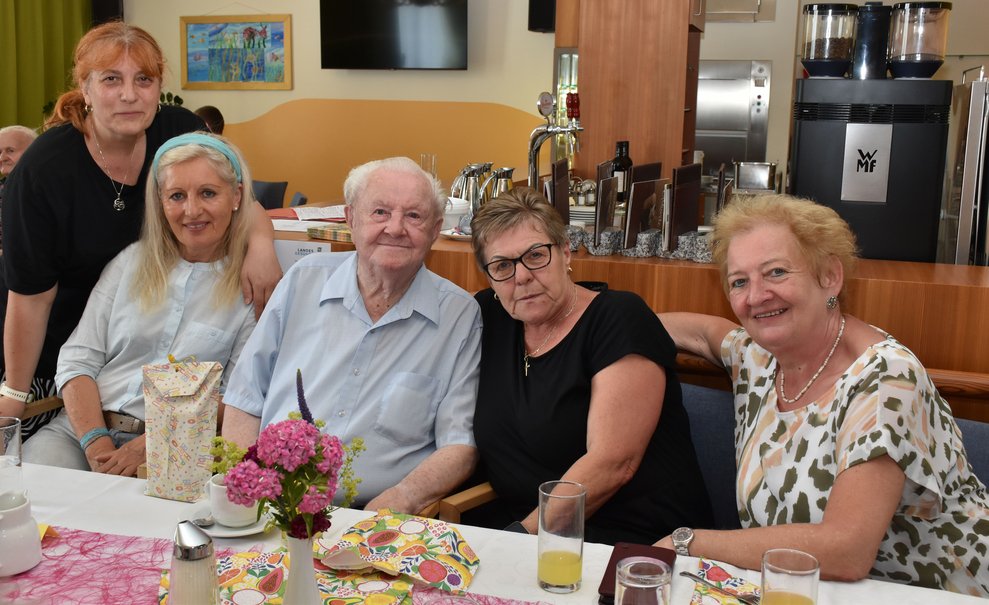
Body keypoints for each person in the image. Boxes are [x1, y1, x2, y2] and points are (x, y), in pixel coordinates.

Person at [654, 194, 989, 596]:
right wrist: (597, 317)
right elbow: (703, 331)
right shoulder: (760, 359)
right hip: (811, 593)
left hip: (938, 593)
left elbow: (846, 549)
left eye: (776, 272)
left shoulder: (886, 378)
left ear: (830, 276)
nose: (755, 296)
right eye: (739, 281)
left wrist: (688, 543)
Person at [0, 22, 280, 440]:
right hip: (57, 356)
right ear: (86, 88)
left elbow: (240, 199)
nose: (129, 95)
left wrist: (261, 244)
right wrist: (15, 393)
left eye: (143, 79)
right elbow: (31, 298)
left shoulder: (179, 130)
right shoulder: (44, 169)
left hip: (140, 337)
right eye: (111, 79)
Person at [222, 156, 481, 513]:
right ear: (350, 219)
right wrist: (250, 485)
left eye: (414, 216)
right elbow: (244, 399)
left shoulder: (459, 316)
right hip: (272, 504)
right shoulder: (303, 279)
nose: (395, 227)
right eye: (379, 212)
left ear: (436, 230)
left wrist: (401, 498)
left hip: (376, 517)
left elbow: (459, 446)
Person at [467, 188, 713, 545]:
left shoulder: (618, 319)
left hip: (633, 543)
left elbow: (612, 464)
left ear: (565, 251)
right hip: (529, 534)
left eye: (536, 255)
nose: (520, 276)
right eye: (502, 265)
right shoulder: (490, 317)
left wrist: (516, 540)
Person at [22, 133, 257, 476]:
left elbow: (237, 395)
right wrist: (96, 442)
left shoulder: (250, 287)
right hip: (81, 431)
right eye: (177, 196)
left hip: (180, 446)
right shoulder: (130, 263)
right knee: (24, 502)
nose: (192, 210)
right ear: (160, 201)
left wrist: (150, 444)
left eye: (208, 193)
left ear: (236, 196)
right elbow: (77, 360)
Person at [0, 125, 38, 250]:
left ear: (33, 152)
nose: (2, 158)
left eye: (10, 150)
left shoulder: (44, 190)